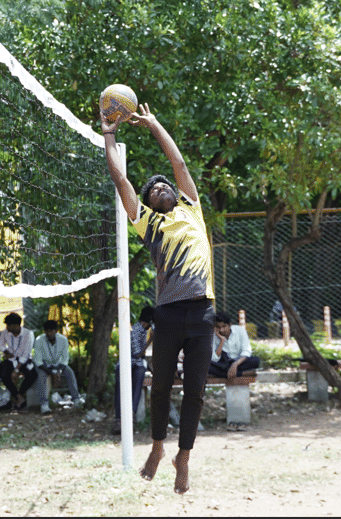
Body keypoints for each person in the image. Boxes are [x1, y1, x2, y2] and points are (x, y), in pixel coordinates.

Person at [102, 102, 215, 495]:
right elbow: (123, 183)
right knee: (162, 385)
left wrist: (153, 125)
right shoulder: (148, 224)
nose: (161, 187)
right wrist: (109, 135)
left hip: (202, 311)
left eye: (164, 185)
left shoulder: (191, 209)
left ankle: (183, 456)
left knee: (196, 391)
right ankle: (156, 447)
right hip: (167, 313)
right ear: (149, 203)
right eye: (154, 190)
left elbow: (179, 163)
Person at [111, 306, 153, 434]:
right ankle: (119, 418)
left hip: (136, 363)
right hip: (127, 362)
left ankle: (131, 415)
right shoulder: (135, 329)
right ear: (148, 321)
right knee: (123, 387)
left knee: (138, 381)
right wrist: (151, 340)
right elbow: (137, 353)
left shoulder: (143, 330)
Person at [32, 319, 84, 413]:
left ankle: (76, 399)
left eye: (51, 331)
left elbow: (65, 359)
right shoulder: (39, 340)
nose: (49, 333)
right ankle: (44, 404)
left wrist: (58, 371)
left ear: (56, 331)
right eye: (46, 331)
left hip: (58, 365)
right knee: (41, 376)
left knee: (69, 372)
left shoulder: (63, 339)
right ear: (44, 331)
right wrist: (51, 373)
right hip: (44, 366)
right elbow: (38, 361)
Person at [0, 312, 37, 412]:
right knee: (4, 375)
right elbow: (1, 344)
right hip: (11, 359)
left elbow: (25, 355)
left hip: (23, 360)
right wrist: (7, 352)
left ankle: (18, 395)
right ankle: (19, 398)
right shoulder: (5, 332)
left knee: (32, 375)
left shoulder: (28, 334)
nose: (7, 327)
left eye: (9, 325)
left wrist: (16, 370)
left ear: (16, 325)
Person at [210, 311, 261, 378]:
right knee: (208, 366)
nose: (221, 330)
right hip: (223, 364)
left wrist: (235, 364)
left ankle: (226, 373)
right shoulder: (214, 335)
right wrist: (222, 341)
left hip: (239, 362)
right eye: (218, 327)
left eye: (224, 326)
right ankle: (242, 373)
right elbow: (214, 359)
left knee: (256, 360)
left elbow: (246, 351)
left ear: (230, 325)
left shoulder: (240, 330)